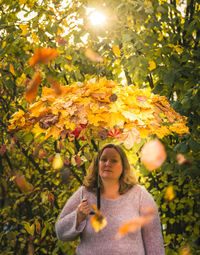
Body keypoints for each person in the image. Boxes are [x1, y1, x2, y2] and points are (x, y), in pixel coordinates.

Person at [55, 143, 165, 255]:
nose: (108, 163)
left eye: (114, 160)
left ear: (123, 166)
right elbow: (61, 232)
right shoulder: (85, 193)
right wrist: (78, 216)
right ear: (98, 165)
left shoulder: (140, 196)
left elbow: (154, 244)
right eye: (103, 159)